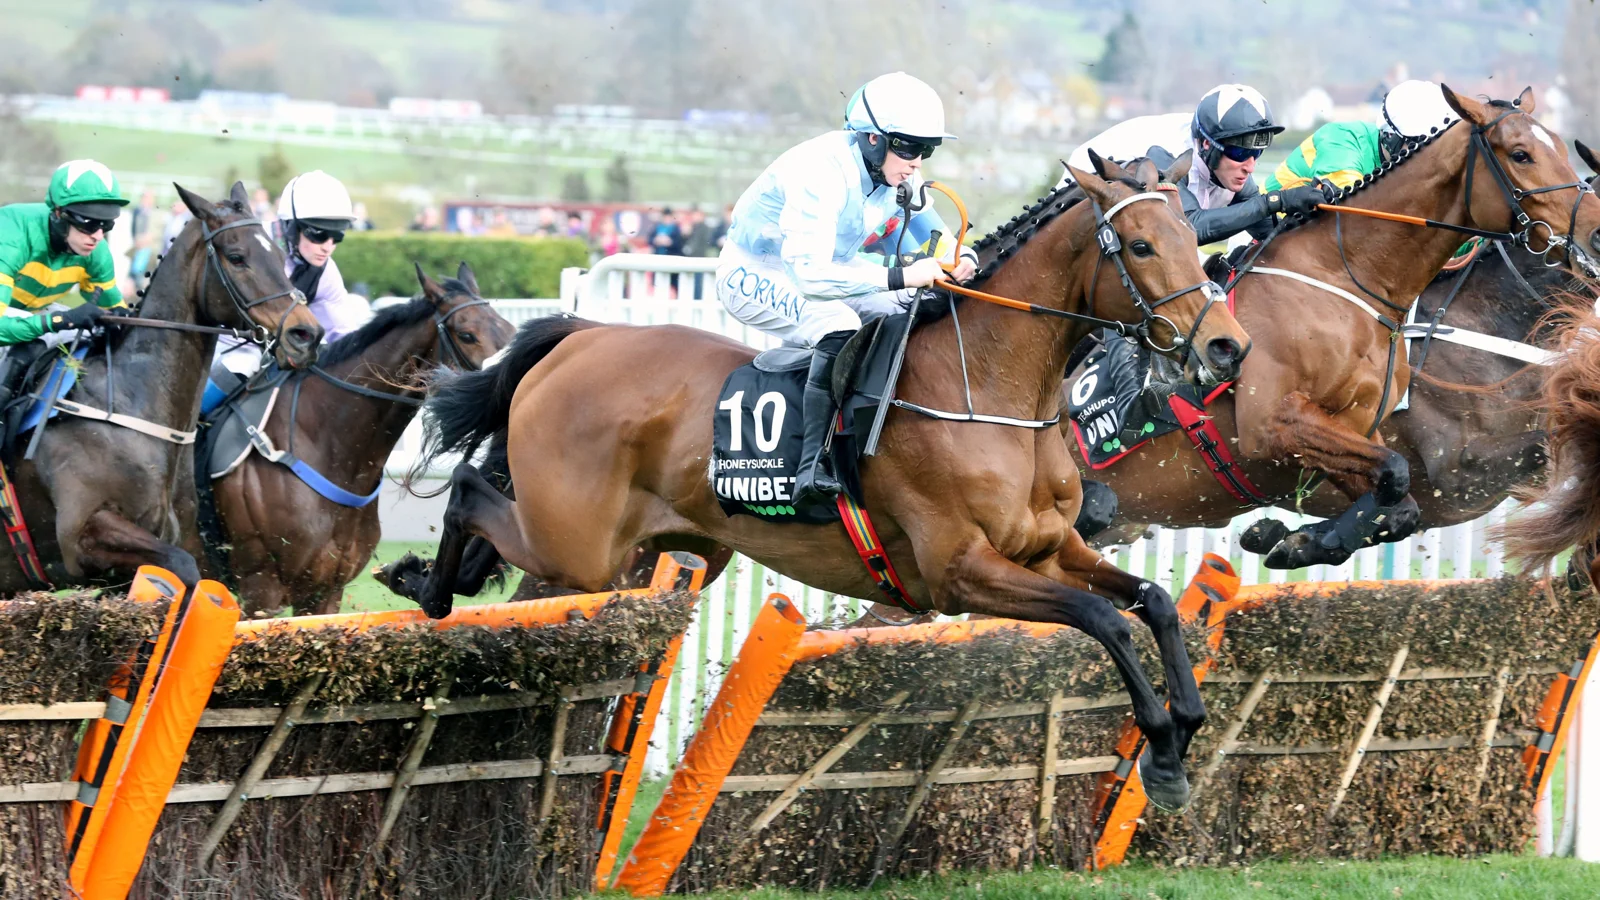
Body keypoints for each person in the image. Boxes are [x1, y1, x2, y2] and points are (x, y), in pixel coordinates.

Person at [716, 71, 977, 504]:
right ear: (872, 139)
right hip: (757, 272)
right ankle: (811, 466)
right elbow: (811, 276)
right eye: (909, 147)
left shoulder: (898, 176)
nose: (917, 162)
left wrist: (962, 260)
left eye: (927, 149)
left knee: (911, 304)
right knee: (837, 322)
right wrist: (900, 274)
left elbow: (942, 242)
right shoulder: (820, 172)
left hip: (827, 269)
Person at [1060, 84, 1324, 246]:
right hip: (1083, 200)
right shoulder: (1166, 154)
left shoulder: (1225, 159)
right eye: (1240, 153)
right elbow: (1190, 229)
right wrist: (1275, 201)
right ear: (1207, 145)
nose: (1250, 166)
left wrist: (1310, 214)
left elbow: (1264, 228)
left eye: (1257, 153)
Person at [207, 170, 371, 406]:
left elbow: (343, 336)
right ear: (291, 227)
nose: (327, 247)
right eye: (319, 234)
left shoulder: (326, 272)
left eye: (337, 237)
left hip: (271, 353)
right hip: (217, 346)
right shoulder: (249, 245)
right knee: (246, 362)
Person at [0, 159, 130, 348]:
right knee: (36, 341)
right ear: (59, 213)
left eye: (106, 224)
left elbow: (113, 310)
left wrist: (120, 318)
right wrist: (61, 320)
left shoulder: (96, 251)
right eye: (89, 223)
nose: (98, 236)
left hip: (30, 311)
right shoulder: (11, 235)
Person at [1266, 80, 1458, 194]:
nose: (1430, 157)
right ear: (1391, 138)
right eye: (1421, 145)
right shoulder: (1343, 138)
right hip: (1267, 231)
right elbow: (1352, 209)